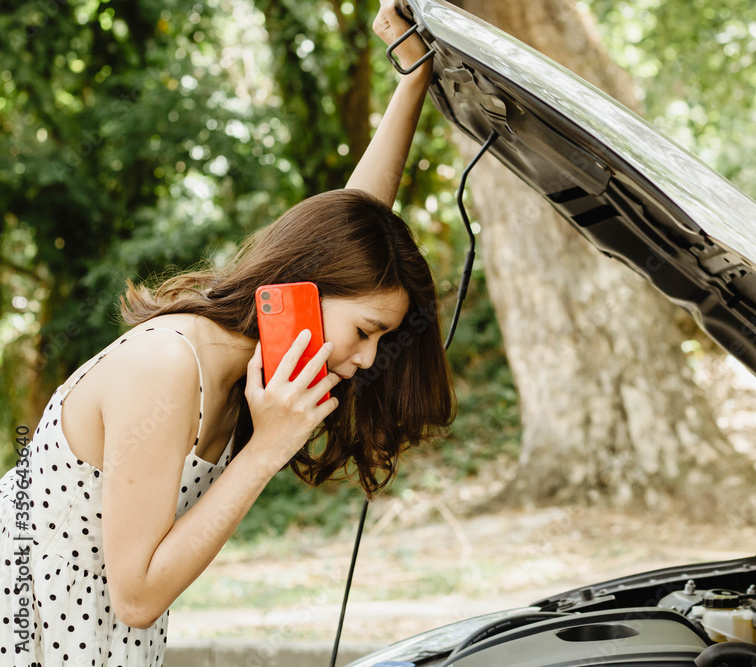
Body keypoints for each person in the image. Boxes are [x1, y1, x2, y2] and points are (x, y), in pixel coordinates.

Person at [0, 2, 453, 665]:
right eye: (365, 332)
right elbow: (136, 594)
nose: (366, 359)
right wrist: (264, 449)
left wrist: (412, 81)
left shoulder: (247, 355)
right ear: (306, 284)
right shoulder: (166, 366)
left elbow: (357, 227)